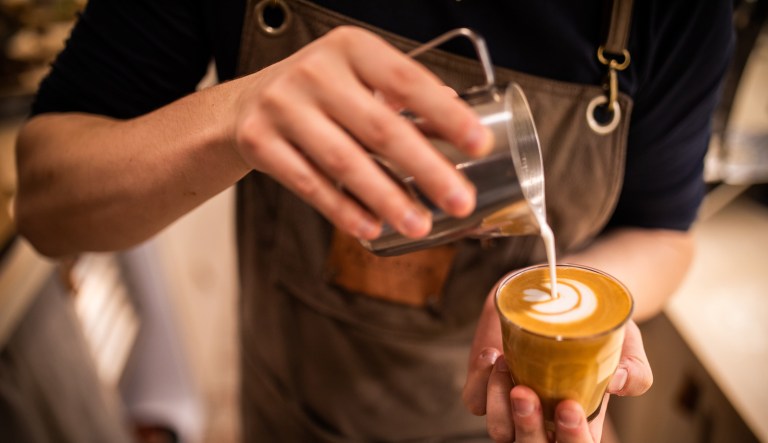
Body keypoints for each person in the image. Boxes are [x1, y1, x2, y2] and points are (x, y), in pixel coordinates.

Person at [13, 0, 733, 441]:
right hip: (293, 410)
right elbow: (46, 208)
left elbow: (665, 232)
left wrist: (583, 306)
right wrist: (232, 117)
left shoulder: (675, 13)